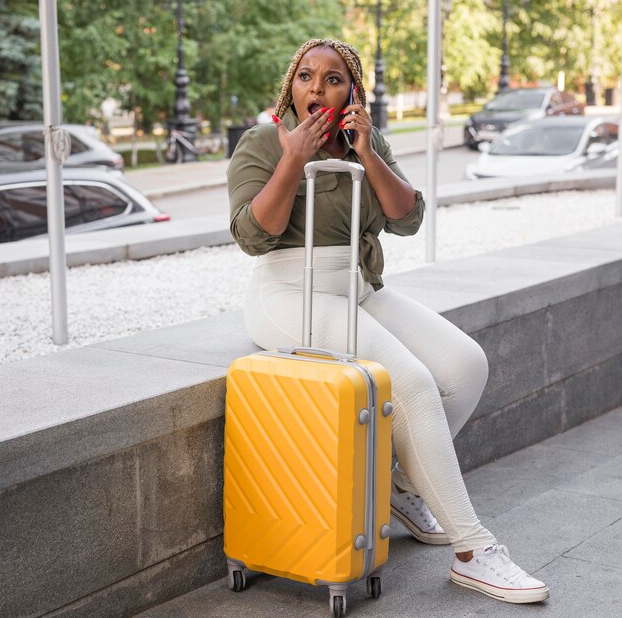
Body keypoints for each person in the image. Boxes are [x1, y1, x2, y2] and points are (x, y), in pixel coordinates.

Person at [227, 38, 549, 605]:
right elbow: (254, 236)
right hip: (287, 292)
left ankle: (401, 485)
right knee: (414, 383)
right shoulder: (260, 142)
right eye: (307, 77)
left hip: (357, 287)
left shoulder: (364, 142)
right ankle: (473, 550)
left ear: (351, 90)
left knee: (465, 365)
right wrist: (293, 160)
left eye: (333, 79)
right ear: (291, 85)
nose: (318, 89)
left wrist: (367, 153)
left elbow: (408, 218)